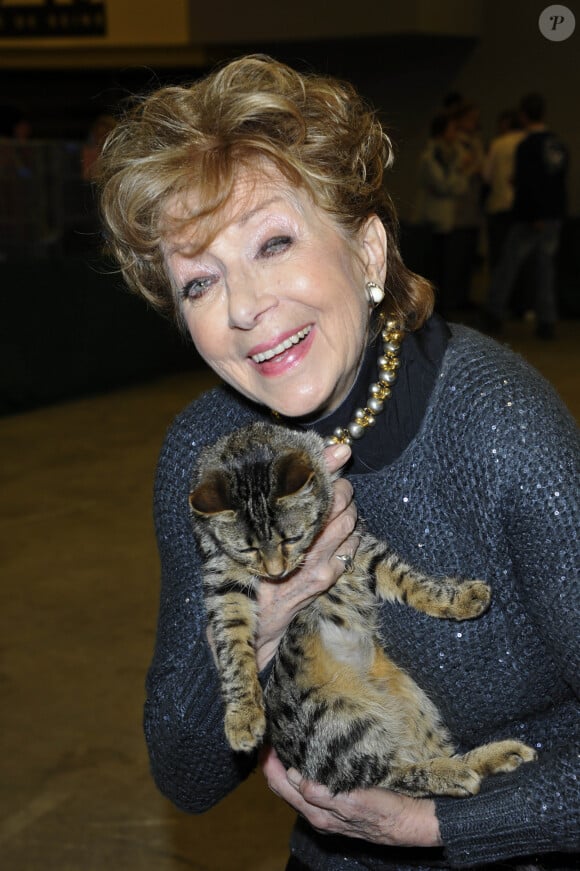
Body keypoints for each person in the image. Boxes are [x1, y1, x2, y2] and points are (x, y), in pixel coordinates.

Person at [97, 56, 579, 870]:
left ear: (366, 248)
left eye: (273, 242)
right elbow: (184, 773)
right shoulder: (205, 458)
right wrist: (272, 606)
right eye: (199, 283)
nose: (244, 307)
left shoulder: (501, 429)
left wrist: (433, 827)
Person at [483, 93, 568, 340]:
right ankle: (547, 320)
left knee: (508, 266)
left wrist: (534, 213)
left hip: (531, 217)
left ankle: (493, 312)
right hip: (552, 216)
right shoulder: (558, 144)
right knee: (545, 268)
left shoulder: (527, 146)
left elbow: (531, 184)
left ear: (523, 116)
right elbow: (557, 183)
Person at [414, 112, 467, 315]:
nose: (456, 134)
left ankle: (442, 308)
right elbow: (444, 185)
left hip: (447, 219)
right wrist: (460, 172)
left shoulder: (451, 155)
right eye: (453, 129)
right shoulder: (431, 155)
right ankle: (430, 309)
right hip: (432, 219)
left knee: (445, 266)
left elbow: (458, 187)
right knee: (432, 267)